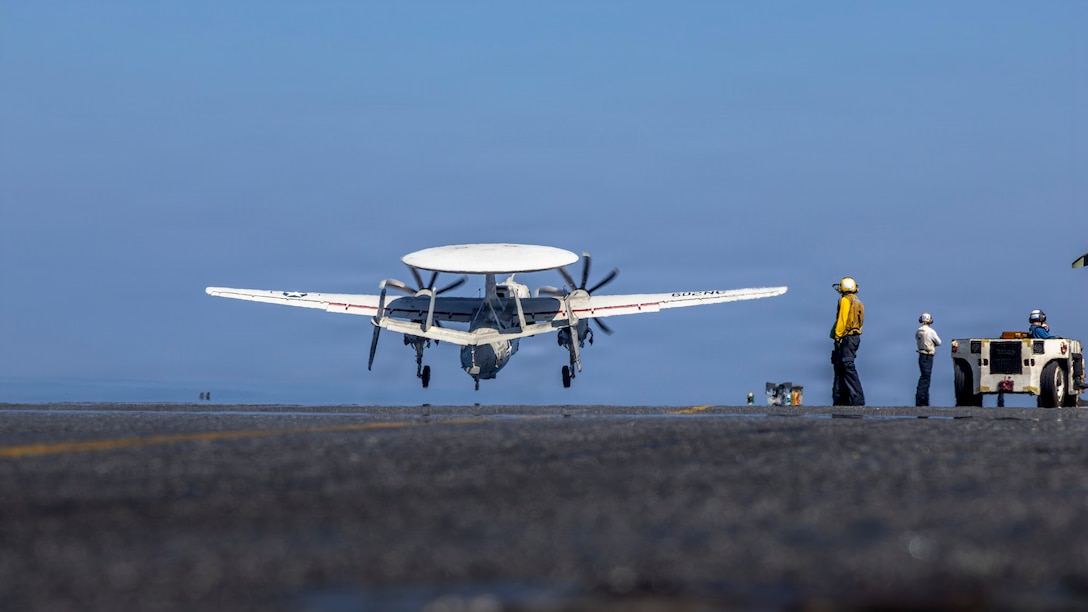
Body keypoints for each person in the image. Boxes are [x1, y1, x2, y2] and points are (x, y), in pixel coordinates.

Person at [1028, 310, 1087, 390]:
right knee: (1077, 357)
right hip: (1047, 352)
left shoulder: (1032, 329)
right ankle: (1077, 381)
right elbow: (1048, 339)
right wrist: (1057, 337)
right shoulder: (1039, 329)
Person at [830, 276, 865, 406]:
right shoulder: (857, 301)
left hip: (846, 338)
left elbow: (842, 320)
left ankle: (857, 400)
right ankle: (841, 400)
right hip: (855, 338)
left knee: (847, 366)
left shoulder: (845, 300)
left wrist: (838, 336)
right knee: (841, 367)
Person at [915, 312, 941, 406]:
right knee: (926, 377)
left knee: (923, 376)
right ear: (930, 321)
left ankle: (921, 398)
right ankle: (922, 399)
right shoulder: (931, 331)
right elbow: (939, 342)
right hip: (928, 355)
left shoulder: (918, 331)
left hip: (921, 355)